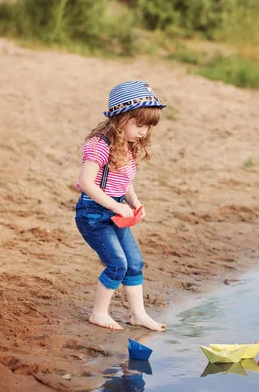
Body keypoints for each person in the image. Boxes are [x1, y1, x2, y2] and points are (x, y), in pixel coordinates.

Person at [75, 80, 166, 332]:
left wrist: (133, 201)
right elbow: (86, 183)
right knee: (117, 263)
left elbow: (122, 179)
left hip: (116, 212)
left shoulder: (127, 145)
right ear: (120, 118)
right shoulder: (99, 145)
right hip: (92, 213)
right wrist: (115, 207)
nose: (143, 132)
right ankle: (98, 313)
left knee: (134, 262)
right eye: (139, 124)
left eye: (148, 127)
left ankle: (138, 314)